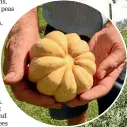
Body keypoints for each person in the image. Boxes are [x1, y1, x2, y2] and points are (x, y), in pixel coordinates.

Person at [3, 1, 126, 125]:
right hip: (58, 32)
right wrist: (23, 23)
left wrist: (117, 28)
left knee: (114, 105)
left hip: (113, 34)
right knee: (70, 109)